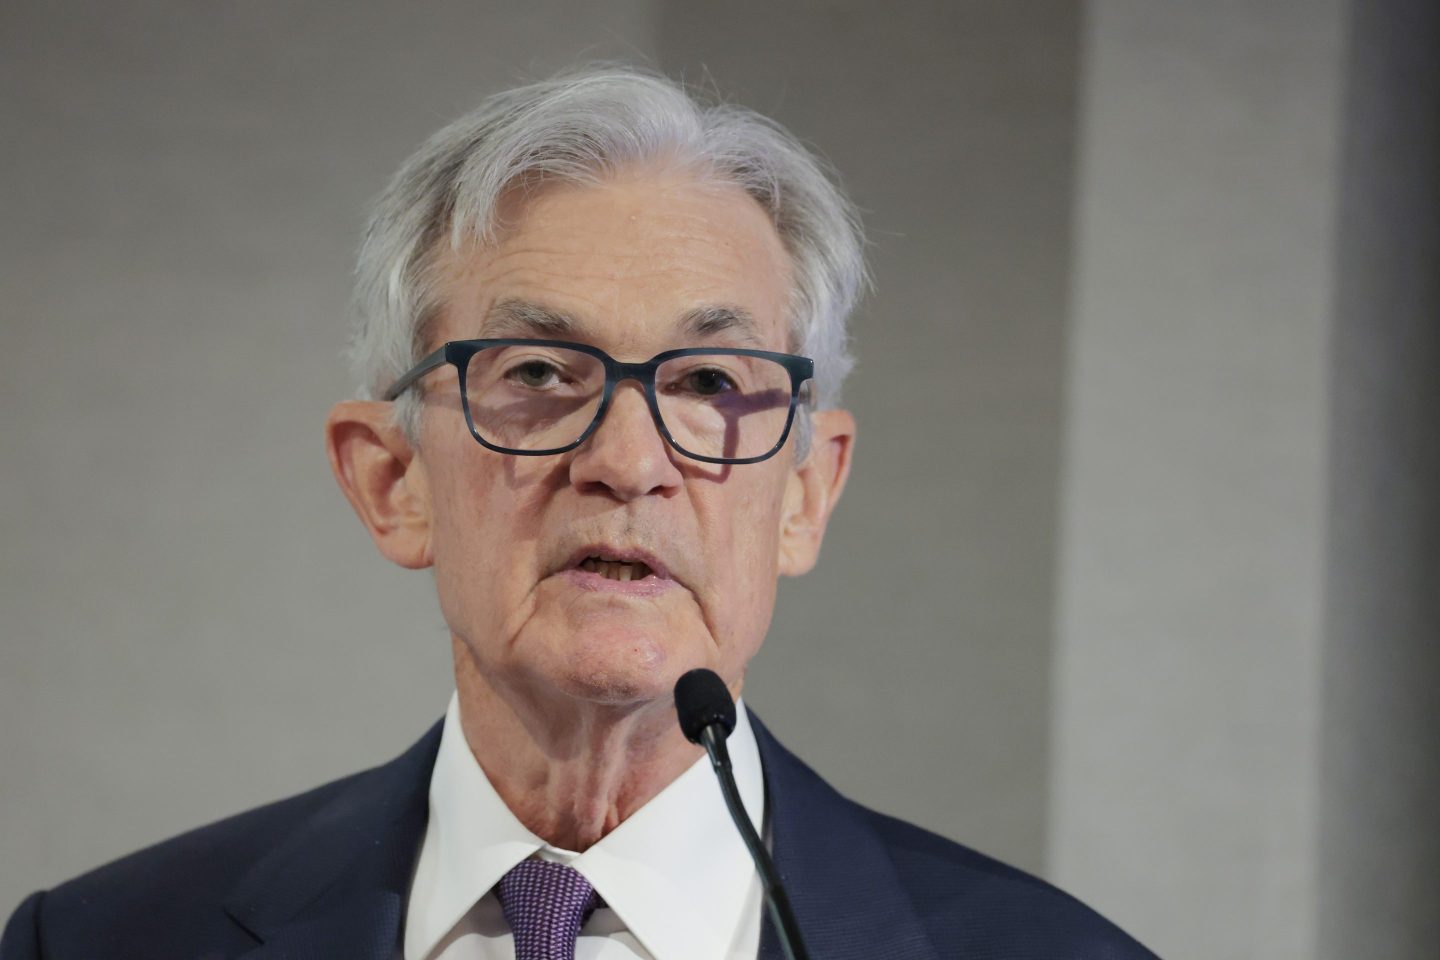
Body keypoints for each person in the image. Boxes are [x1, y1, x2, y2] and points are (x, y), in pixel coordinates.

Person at [1, 66, 1157, 960]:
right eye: (541, 375)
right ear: (391, 480)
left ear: (804, 494)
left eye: (710, 384)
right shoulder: (100, 941)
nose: (628, 461)